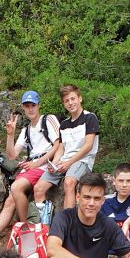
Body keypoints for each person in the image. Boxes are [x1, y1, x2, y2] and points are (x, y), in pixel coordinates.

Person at [0, 91, 61, 251]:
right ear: (23, 107)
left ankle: (26, 231)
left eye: (33, 105)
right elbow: (11, 155)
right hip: (32, 166)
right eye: (27, 106)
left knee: (16, 188)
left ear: (38, 105)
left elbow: (57, 145)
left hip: (44, 165)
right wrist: (10, 134)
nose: (30, 109)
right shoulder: (26, 130)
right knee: (10, 200)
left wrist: (37, 163)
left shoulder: (48, 120)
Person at [33, 84, 100, 219]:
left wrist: (68, 163)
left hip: (82, 160)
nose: (70, 103)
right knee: (38, 188)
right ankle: (42, 225)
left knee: (69, 182)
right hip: (64, 162)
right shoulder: (64, 124)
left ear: (79, 98)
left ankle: (67, 224)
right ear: (64, 104)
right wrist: (55, 163)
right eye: (66, 101)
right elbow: (61, 148)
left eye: (73, 99)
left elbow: (88, 146)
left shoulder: (90, 118)